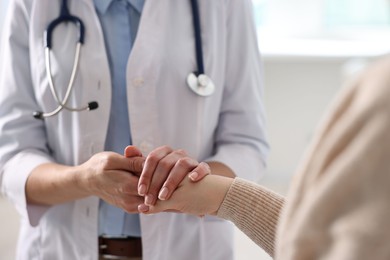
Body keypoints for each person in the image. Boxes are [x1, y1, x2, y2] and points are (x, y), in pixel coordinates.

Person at [0, 0, 268, 260]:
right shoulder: (31, 4)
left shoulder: (225, 4)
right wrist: (83, 180)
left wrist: (191, 180)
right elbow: (13, 157)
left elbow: (247, 143)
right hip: (60, 249)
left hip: (189, 250)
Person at [139, 55, 390, 259]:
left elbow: (318, 250)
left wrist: (220, 194)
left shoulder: (382, 95)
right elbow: (317, 241)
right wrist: (223, 195)